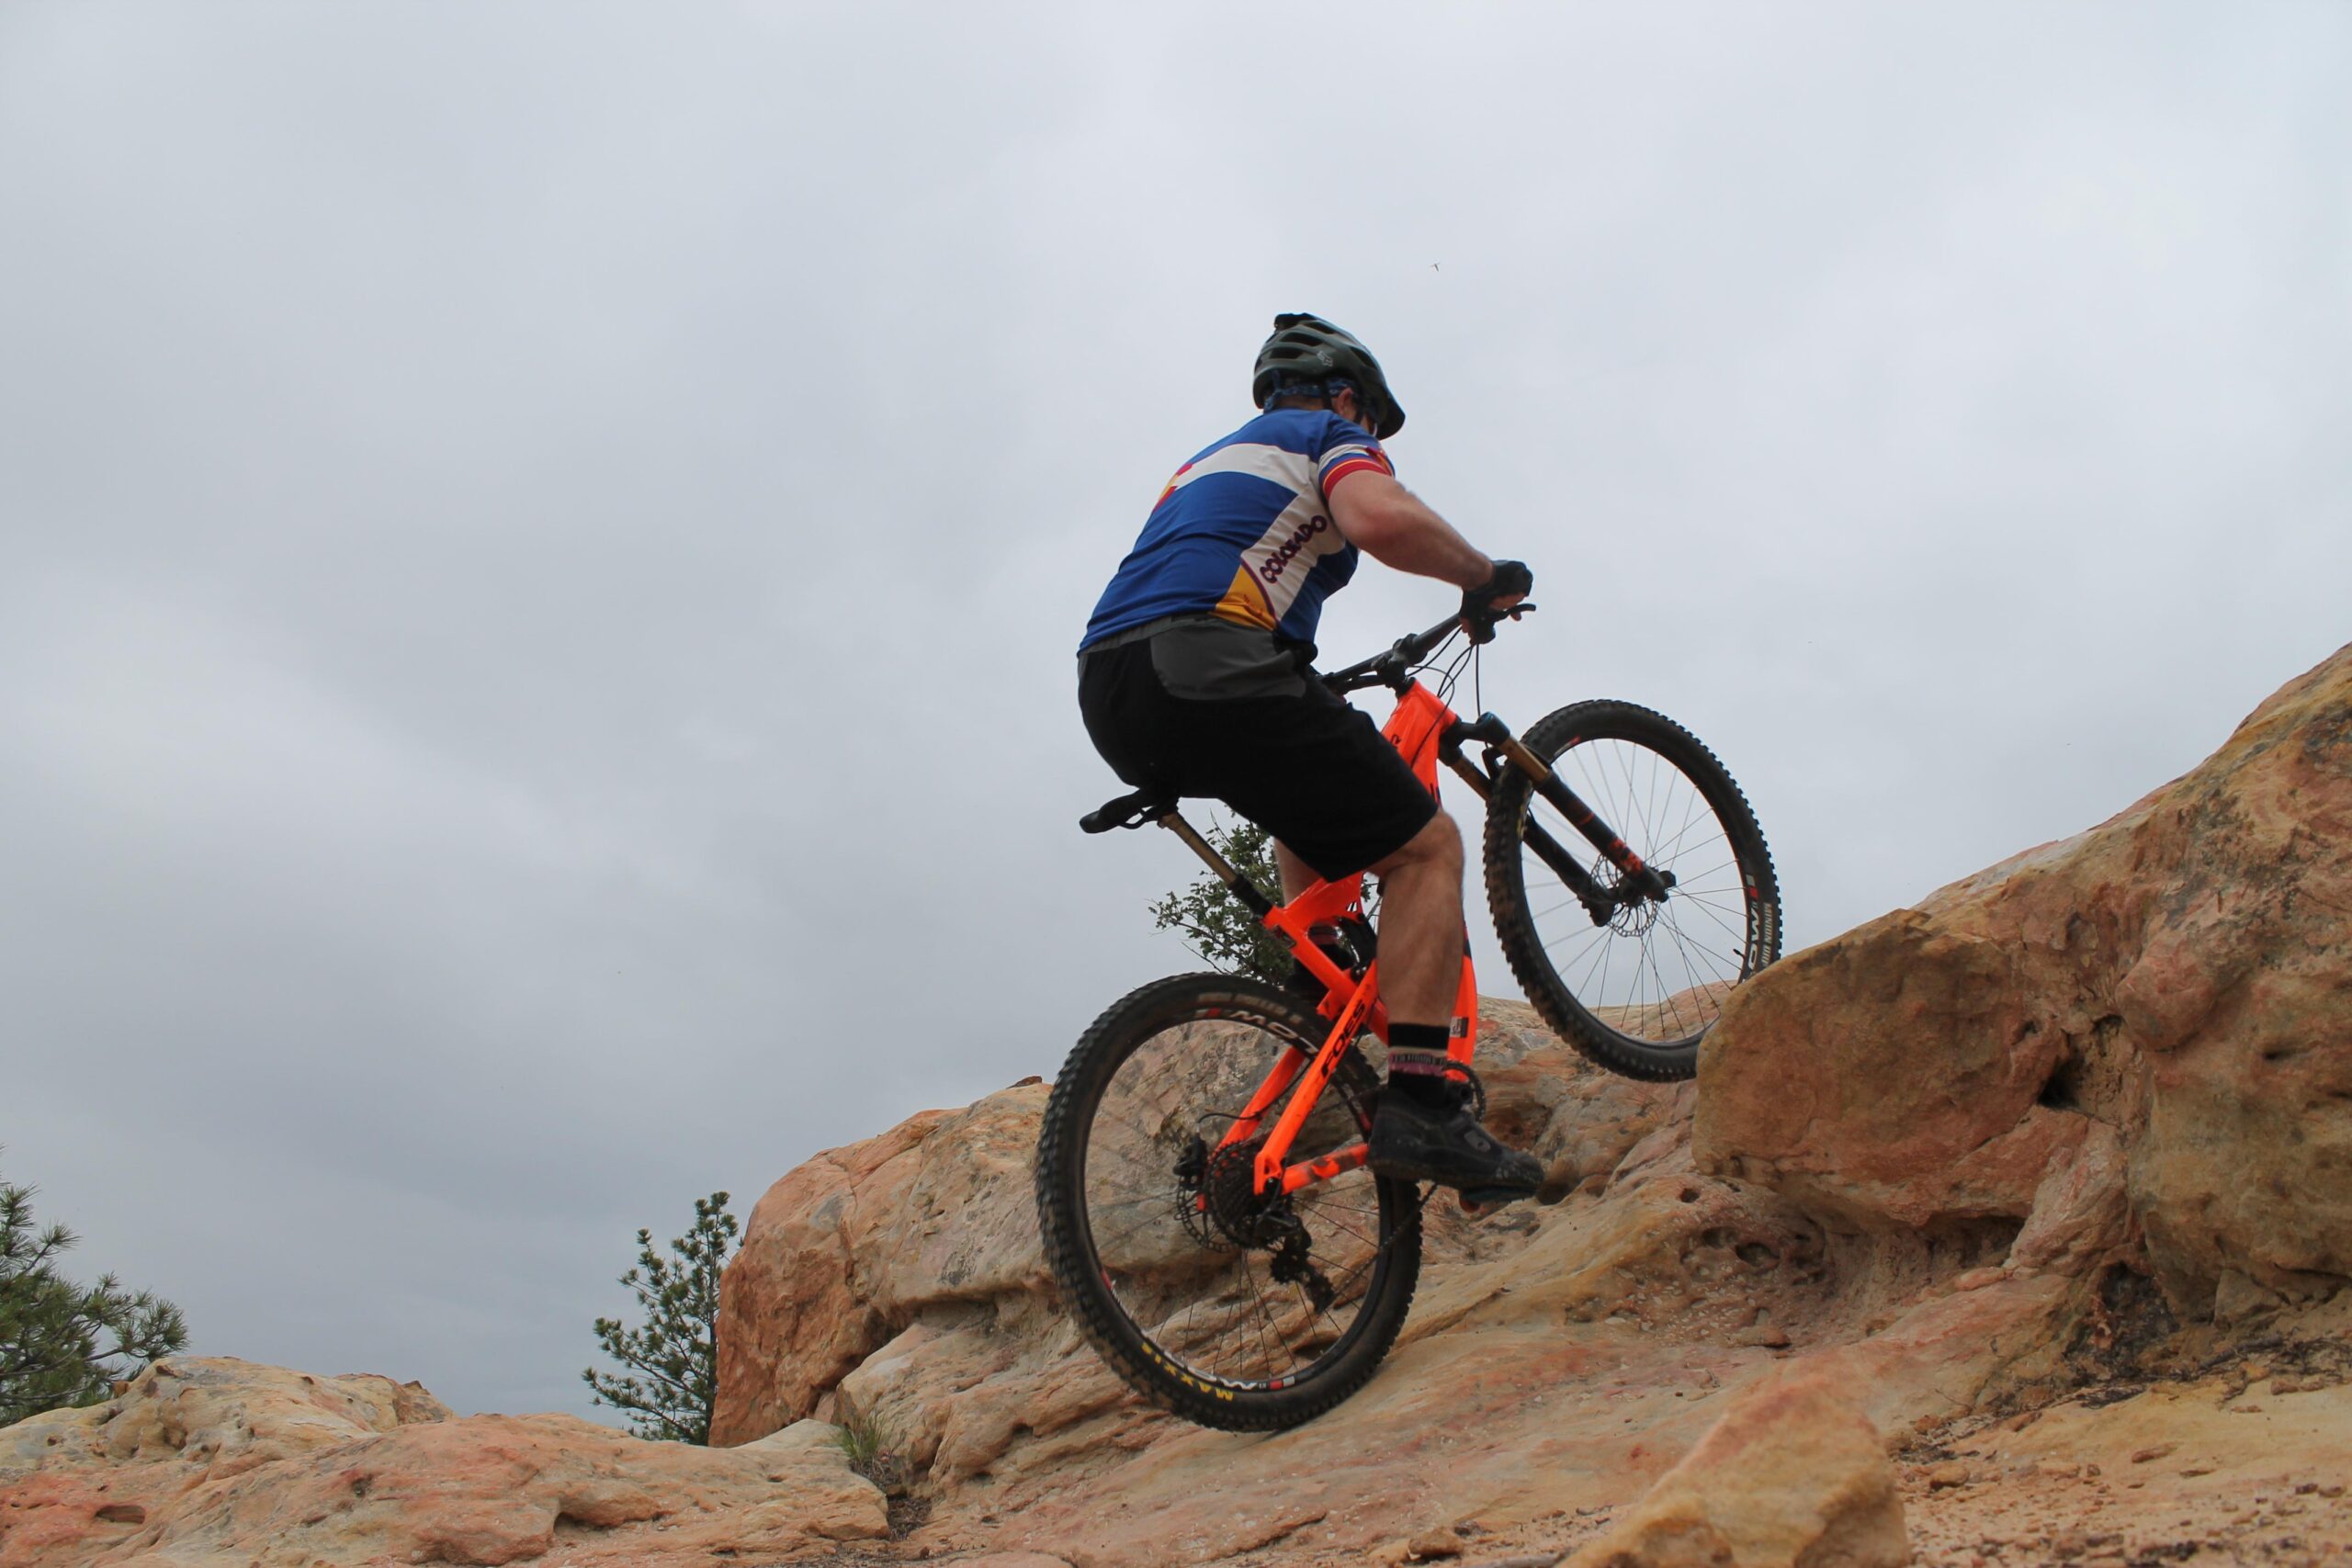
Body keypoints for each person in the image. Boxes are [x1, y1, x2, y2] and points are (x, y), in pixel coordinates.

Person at [1077, 311, 1544, 1203]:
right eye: (1370, 424)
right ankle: (1422, 1104)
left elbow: (1222, 580)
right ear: (1343, 400)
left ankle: (1314, 949)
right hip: (1207, 660)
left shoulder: (1204, 467)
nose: (1371, 443)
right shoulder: (1321, 434)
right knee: (1425, 849)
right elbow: (1374, 515)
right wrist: (1477, 576)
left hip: (1115, 688)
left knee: (1306, 744)